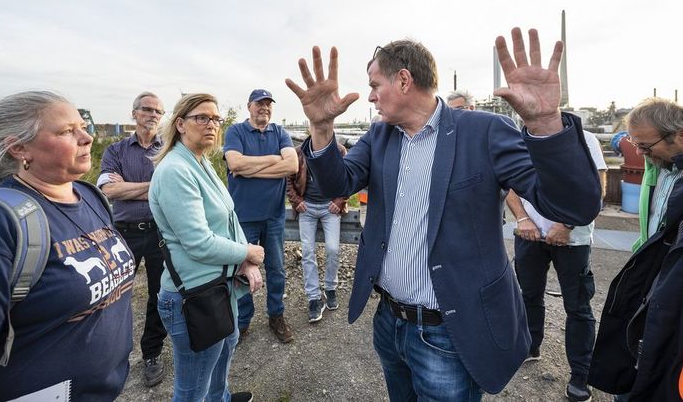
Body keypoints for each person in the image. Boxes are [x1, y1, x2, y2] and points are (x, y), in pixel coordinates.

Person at [284, 29, 602, 400]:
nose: (369, 96)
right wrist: (321, 128)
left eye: (374, 84)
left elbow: (572, 206)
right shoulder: (379, 135)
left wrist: (547, 123)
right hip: (389, 322)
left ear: (404, 79)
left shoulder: (483, 131)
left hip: (449, 331)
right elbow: (340, 182)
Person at [0, 91, 135, 401]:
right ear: (18, 148)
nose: (87, 137)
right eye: (67, 131)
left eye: (83, 126)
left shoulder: (90, 197)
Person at [149, 93, 264, 402]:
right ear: (180, 124)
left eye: (216, 119)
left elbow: (228, 217)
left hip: (216, 285)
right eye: (202, 118)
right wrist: (247, 253)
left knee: (224, 351)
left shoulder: (200, 161)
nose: (212, 124)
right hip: (192, 294)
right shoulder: (175, 170)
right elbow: (199, 243)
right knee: (193, 386)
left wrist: (246, 262)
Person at [589, 97, 683, 401]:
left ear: (678, 136)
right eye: (636, 144)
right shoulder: (660, 164)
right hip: (650, 273)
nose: (640, 152)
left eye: (645, 146)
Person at [506, 128, 607, 402]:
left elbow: (597, 189)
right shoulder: (518, 138)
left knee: (578, 306)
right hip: (529, 236)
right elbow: (508, 184)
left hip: (572, 238)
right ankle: (530, 346)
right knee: (528, 295)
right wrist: (523, 220)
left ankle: (580, 374)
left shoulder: (584, 139)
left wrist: (567, 224)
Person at [98, 91, 167, 387]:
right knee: (115, 297)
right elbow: (108, 191)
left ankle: (151, 353)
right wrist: (154, 186)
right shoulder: (116, 150)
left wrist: (128, 186)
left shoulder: (167, 150)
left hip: (158, 232)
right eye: (147, 109)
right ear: (134, 113)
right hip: (123, 233)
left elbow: (172, 188)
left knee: (158, 296)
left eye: (158, 112)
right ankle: (111, 358)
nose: (153, 115)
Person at [223, 89, 299, 343]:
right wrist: (273, 160)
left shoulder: (279, 132)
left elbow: (292, 165)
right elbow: (235, 164)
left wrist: (250, 169)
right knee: (243, 270)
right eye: (259, 104)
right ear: (249, 106)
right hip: (244, 216)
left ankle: (276, 315)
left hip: (274, 217)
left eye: (268, 104)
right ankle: (243, 321)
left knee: (276, 269)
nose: (264, 108)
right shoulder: (235, 132)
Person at [287, 143, 348, 322]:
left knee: (332, 249)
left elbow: (348, 177)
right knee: (307, 252)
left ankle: (330, 288)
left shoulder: (339, 151)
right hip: (307, 208)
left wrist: (339, 200)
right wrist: (296, 201)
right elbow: (288, 179)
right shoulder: (298, 152)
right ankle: (314, 298)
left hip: (331, 208)